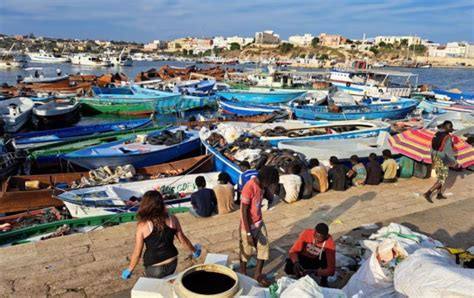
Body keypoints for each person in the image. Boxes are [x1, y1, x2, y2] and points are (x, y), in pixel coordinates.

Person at [121, 191, 200, 280]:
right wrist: (194, 251)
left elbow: (137, 253)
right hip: (172, 262)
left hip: (154, 267)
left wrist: (129, 270)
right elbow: (183, 240)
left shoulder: (142, 225)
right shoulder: (172, 218)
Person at [240, 166, 280, 286]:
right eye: (271, 183)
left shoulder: (263, 187)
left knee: (263, 248)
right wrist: (248, 233)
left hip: (259, 222)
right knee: (246, 252)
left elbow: (271, 198)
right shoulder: (249, 187)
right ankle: (243, 273)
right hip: (247, 225)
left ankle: (257, 274)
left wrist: (269, 190)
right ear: (266, 180)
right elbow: (244, 211)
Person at [285, 223, 336, 287]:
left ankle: (324, 281)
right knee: (288, 268)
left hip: (317, 260)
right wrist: (296, 262)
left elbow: (331, 270)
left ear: (326, 236)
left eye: (320, 239)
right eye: (316, 237)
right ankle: (298, 273)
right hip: (304, 257)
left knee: (326, 258)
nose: (317, 240)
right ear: (314, 232)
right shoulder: (306, 233)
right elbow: (293, 251)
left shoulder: (330, 243)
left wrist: (315, 272)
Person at [423, 121, 457, 203]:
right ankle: (428, 193)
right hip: (442, 158)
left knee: (440, 176)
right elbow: (448, 151)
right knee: (442, 178)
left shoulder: (437, 134)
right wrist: (453, 161)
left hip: (435, 156)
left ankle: (439, 194)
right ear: (447, 128)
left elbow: (433, 146)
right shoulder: (447, 137)